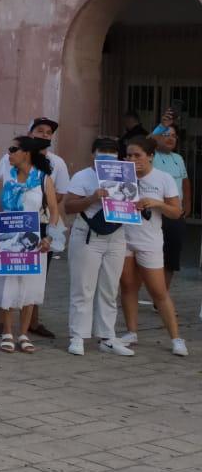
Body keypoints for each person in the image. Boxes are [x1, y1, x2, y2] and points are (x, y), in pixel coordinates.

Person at [0, 117, 70, 339]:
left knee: (32, 280)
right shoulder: (8, 166)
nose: (45, 135)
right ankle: (4, 326)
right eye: (40, 131)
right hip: (8, 230)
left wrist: (49, 231)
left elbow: (58, 202)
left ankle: (28, 327)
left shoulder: (53, 167)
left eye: (48, 132)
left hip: (38, 229)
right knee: (7, 278)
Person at [117, 136, 188, 357]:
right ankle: (131, 332)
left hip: (150, 240)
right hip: (123, 237)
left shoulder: (163, 178)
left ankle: (176, 338)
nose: (132, 159)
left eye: (137, 155)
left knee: (158, 291)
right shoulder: (119, 176)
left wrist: (156, 202)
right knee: (128, 286)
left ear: (150, 156)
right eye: (129, 155)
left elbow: (176, 212)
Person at [64, 137, 134, 357]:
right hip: (88, 235)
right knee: (83, 287)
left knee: (110, 288)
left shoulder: (125, 176)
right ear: (93, 153)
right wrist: (93, 197)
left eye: (112, 152)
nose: (107, 155)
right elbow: (69, 206)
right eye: (102, 151)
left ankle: (107, 337)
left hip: (116, 235)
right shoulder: (82, 176)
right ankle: (78, 336)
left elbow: (130, 201)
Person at [150, 121, 189, 289]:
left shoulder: (178, 159)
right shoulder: (150, 156)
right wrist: (159, 127)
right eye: (166, 135)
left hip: (174, 214)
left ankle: (161, 298)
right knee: (146, 255)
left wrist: (187, 203)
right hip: (154, 213)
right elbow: (145, 141)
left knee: (171, 258)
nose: (171, 139)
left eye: (173, 136)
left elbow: (185, 182)